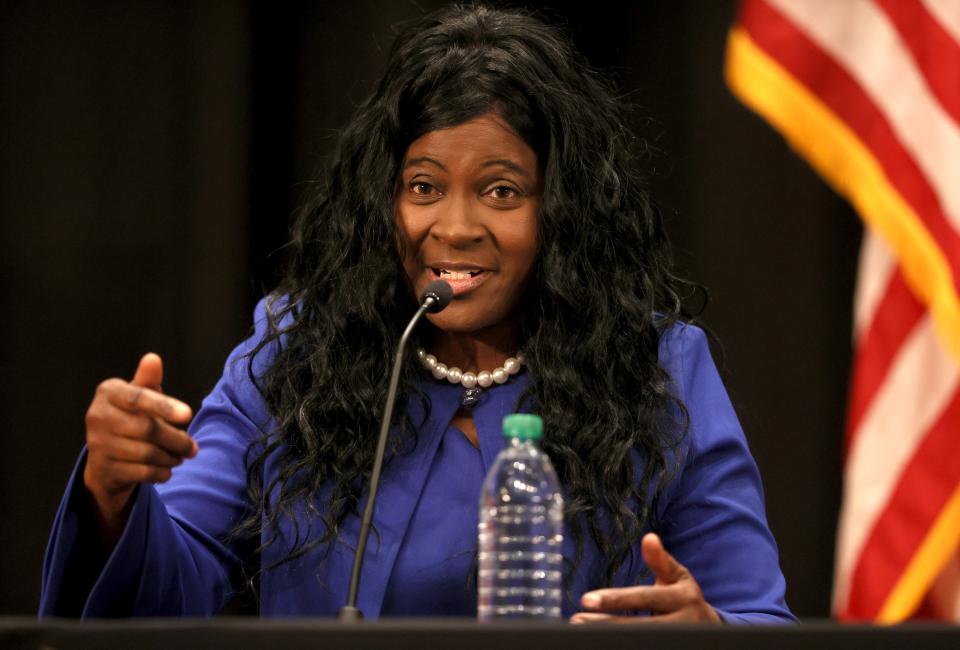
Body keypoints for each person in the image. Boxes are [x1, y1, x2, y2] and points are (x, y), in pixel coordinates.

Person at [40, 3, 795, 623]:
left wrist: (707, 634)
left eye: (502, 191)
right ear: (385, 201)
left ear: (562, 213)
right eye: (424, 186)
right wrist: (114, 492)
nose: (456, 226)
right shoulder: (296, 354)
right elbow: (170, 591)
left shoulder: (658, 366)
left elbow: (756, 616)